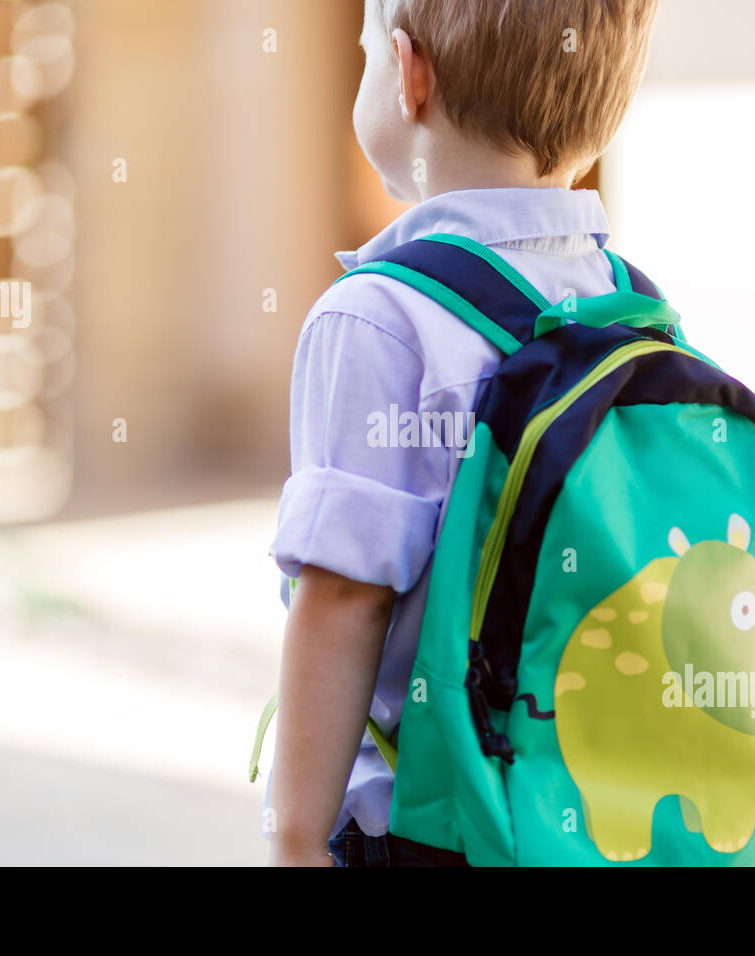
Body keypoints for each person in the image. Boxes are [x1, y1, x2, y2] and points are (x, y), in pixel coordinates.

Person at [265, 0, 663, 866]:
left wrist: (294, 841)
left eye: (365, 53)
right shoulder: (635, 314)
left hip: (429, 832)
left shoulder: (376, 319)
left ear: (408, 76)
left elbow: (346, 600)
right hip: (597, 826)